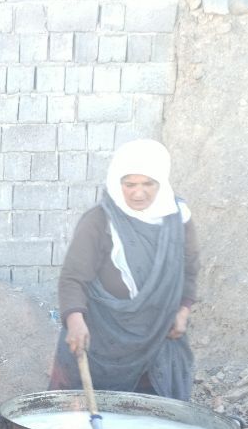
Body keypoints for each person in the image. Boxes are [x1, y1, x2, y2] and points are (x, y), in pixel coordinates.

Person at [51, 138, 199, 401]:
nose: (138, 193)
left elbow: (189, 269)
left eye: (148, 184)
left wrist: (183, 310)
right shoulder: (98, 221)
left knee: (153, 422)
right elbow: (73, 279)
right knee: (77, 424)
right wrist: (75, 321)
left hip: (158, 339)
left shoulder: (177, 220)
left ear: (161, 183)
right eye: (130, 184)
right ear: (118, 183)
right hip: (102, 342)